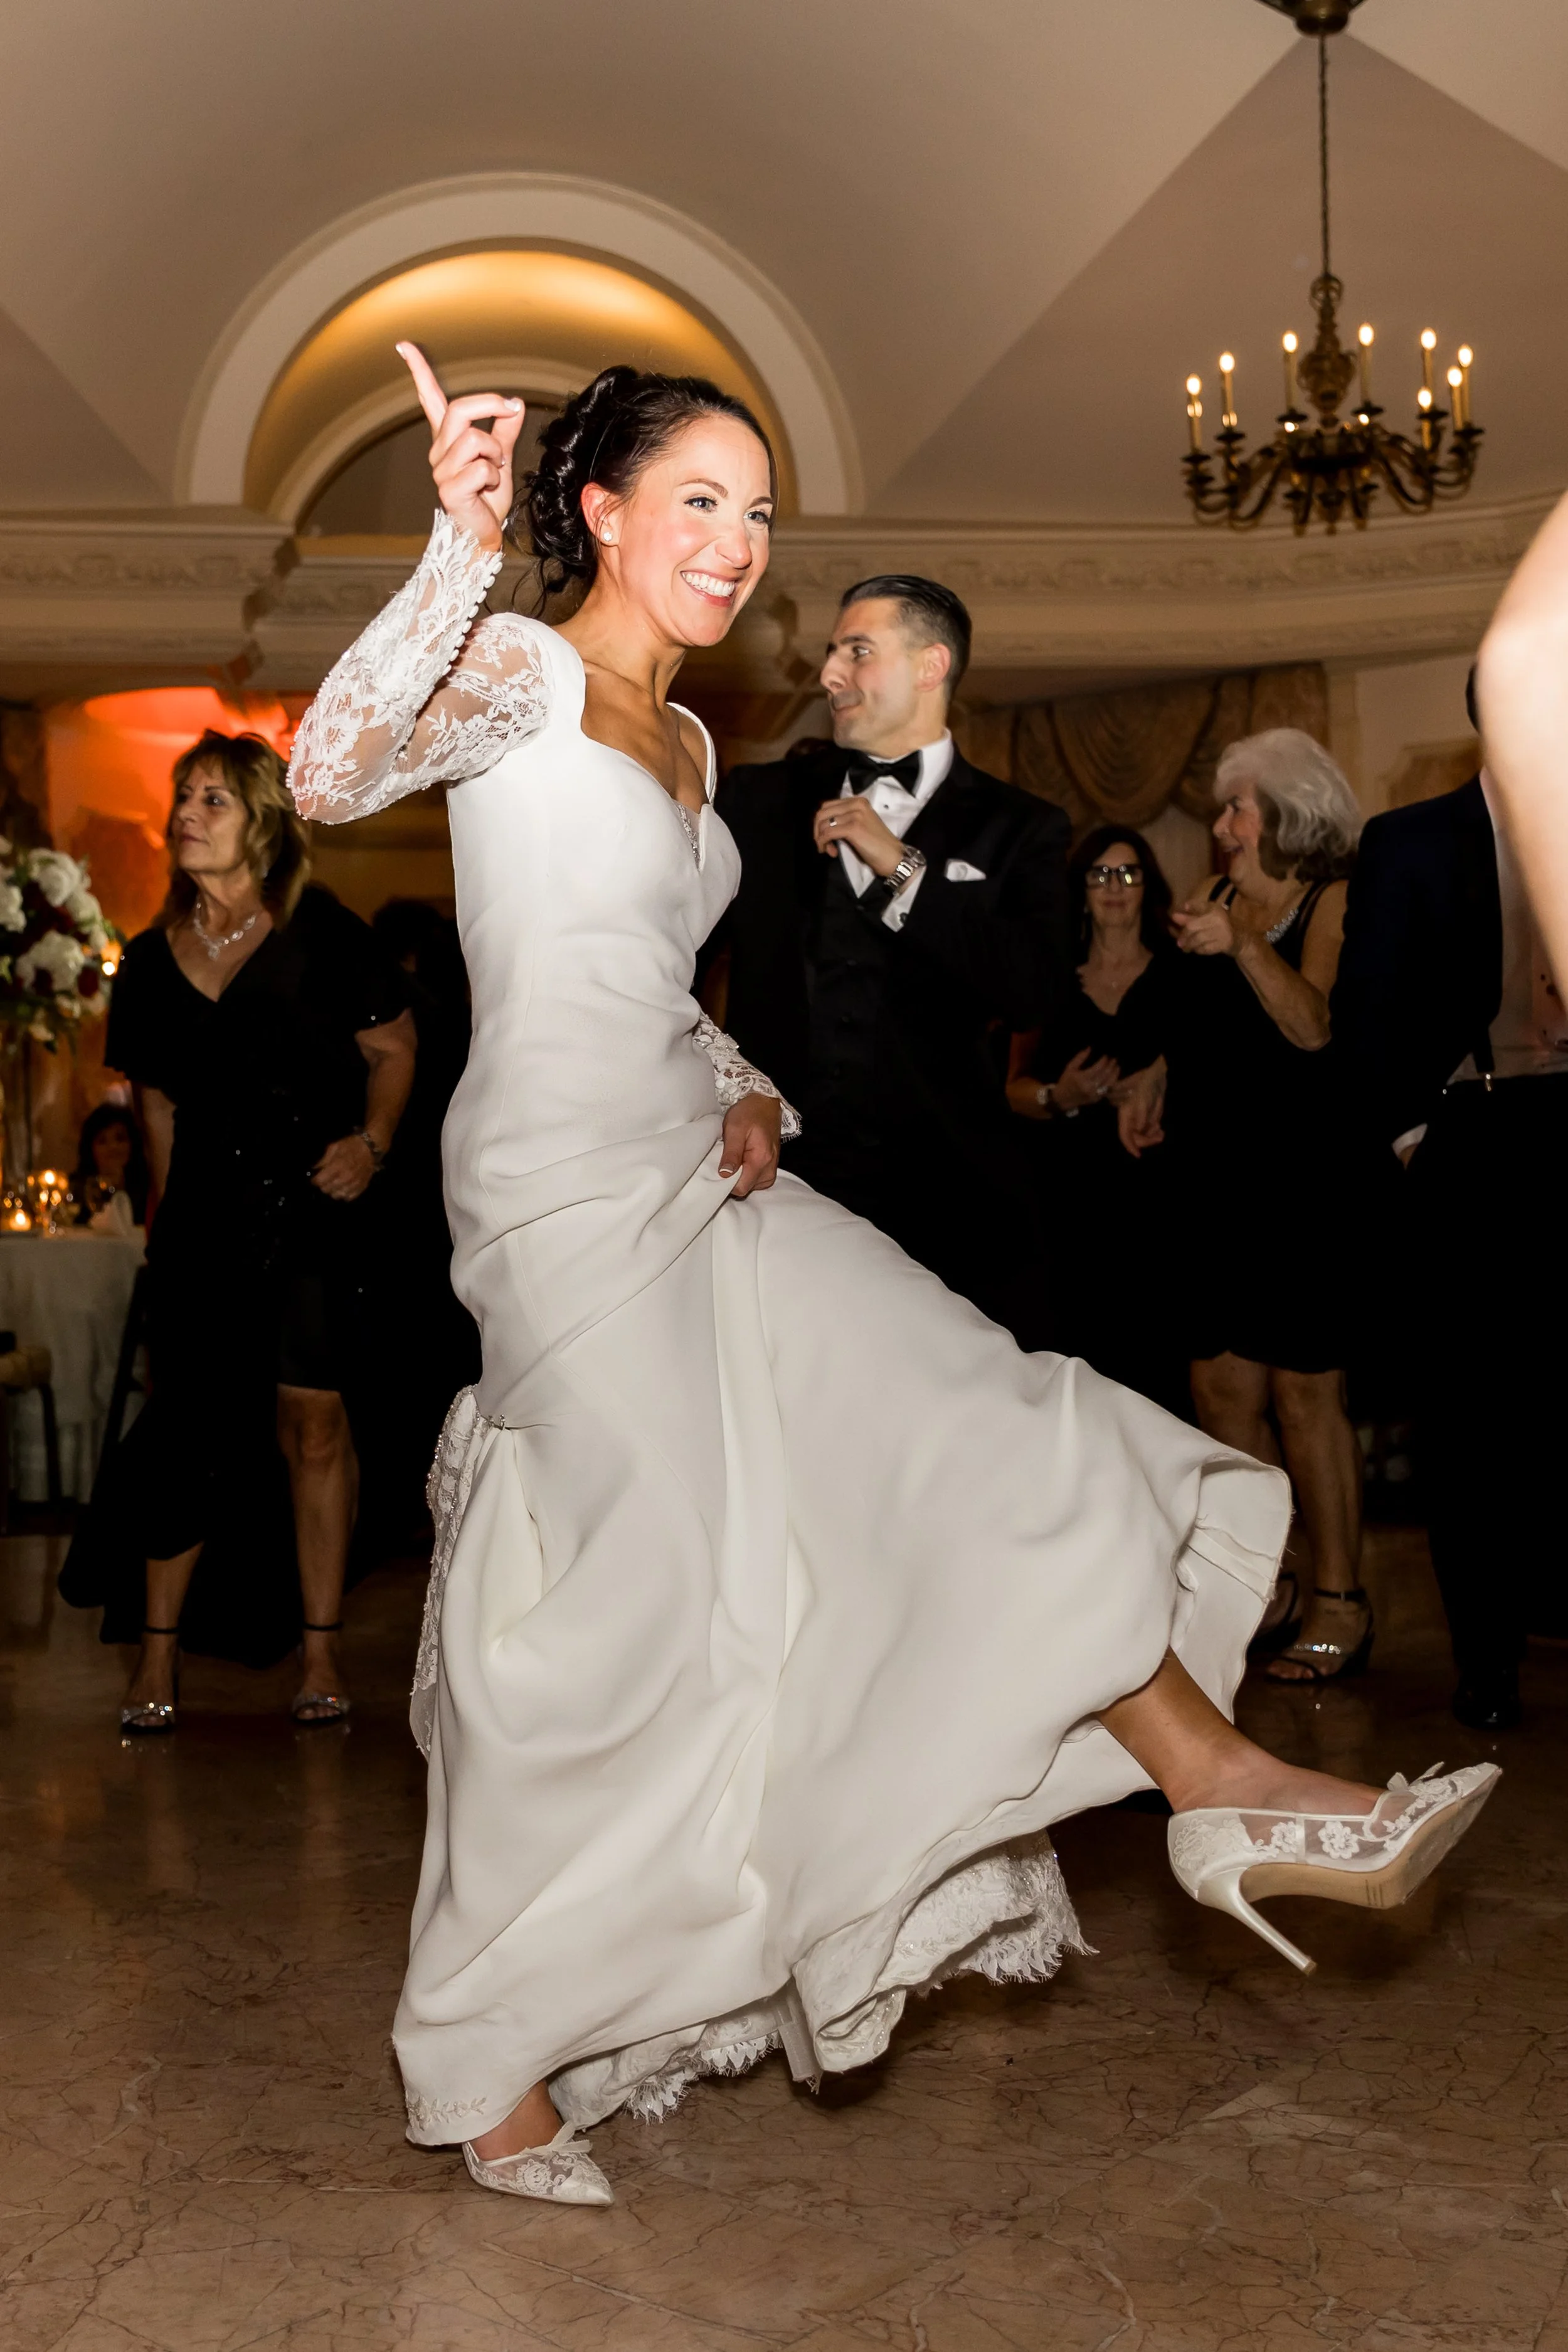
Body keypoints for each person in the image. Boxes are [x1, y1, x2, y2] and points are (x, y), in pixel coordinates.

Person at [288, 347, 1496, 2209]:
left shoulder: (697, 751)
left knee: (970, 1410)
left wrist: (744, 1083)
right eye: (697, 497)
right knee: (636, 1631)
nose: (735, 538)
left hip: (697, 1172)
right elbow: (326, 766)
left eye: (757, 509)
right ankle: (480, 2049)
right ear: (598, 511)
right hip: (553, 1210)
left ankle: (1216, 1782)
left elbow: (646, 991)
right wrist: (451, 552)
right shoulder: (517, 674)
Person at [102, 729, 416, 1730]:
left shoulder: (322, 932)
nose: (187, 815)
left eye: (213, 800)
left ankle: (319, 1654)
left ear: (263, 825)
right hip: (202, 1221)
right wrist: (162, 1217)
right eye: (183, 797)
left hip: (313, 1209)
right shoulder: (149, 960)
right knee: (184, 1433)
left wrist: (371, 1143)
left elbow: (397, 1047)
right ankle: (158, 1662)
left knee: (314, 1426)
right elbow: (154, 1107)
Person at [711, 575, 1069, 1344]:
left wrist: (903, 869)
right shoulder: (758, 800)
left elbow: (1035, 993)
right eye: (832, 653)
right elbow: (674, 963)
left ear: (931, 666)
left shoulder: (1023, 828)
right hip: (780, 1189)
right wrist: (731, 1084)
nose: (829, 674)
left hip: (950, 1207)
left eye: (857, 652)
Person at [1334, 669, 1568, 1732]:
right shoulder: (1411, 839)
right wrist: (1412, 1138)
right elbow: (1368, 1006)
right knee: (1472, 1416)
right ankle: (1487, 1658)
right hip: (1473, 1135)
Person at [1121, 733, 1374, 1685]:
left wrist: (1249, 945)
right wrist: (1152, 1074)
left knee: (1308, 1395)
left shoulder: (1332, 900)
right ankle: (1273, 1583)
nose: (1223, 827)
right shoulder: (1218, 901)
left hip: (1303, 1180)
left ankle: (1344, 1594)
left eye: (1237, 807)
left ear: (1288, 810)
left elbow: (1316, 1026)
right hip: (1213, 1179)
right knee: (1223, 1391)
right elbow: (1195, 1027)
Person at [1005, 825, 1187, 1411]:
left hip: (1163, 1201)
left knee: (1163, 1375)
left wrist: (1162, 1079)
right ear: (1080, 890)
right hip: (1070, 1207)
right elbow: (1011, 1090)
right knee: (1082, 1376)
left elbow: (1217, 1063)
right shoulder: (1051, 982)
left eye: (1129, 874)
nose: (1115, 887)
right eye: (1100, 874)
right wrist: (1064, 1094)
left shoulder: (1183, 976)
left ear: (1148, 888)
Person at [72, 1100, 151, 1225]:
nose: (113, 1147)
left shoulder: (150, 1186)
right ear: (90, 1149)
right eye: (102, 1141)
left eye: (120, 1139)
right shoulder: (76, 1189)